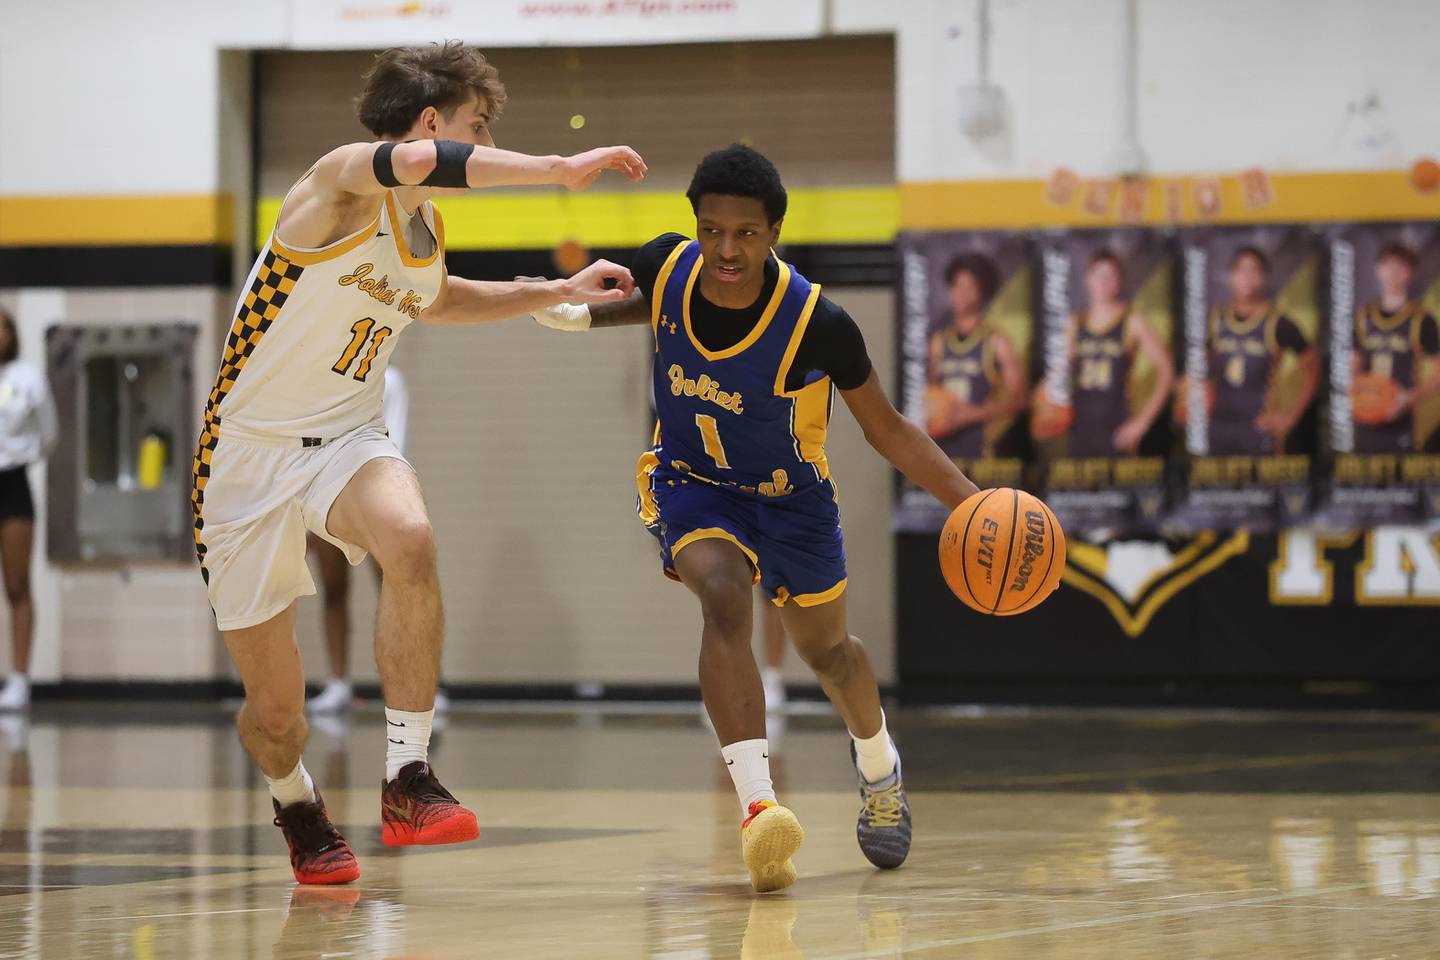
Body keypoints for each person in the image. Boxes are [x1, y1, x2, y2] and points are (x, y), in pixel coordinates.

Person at [190, 41, 644, 885]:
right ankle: (295, 800)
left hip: (347, 435)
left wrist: (552, 290)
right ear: (433, 122)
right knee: (276, 713)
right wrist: (556, 168)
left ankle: (407, 777)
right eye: (480, 125)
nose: (486, 141)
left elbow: (436, 299)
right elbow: (431, 161)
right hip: (246, 455)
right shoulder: (337, 180)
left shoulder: (423, 226)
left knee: (412, 538)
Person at [532, 145, 978, 892]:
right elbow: (647, 302)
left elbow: (888, 430)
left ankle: (880, 769)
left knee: (831, 656)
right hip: (694, 484)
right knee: (724, 597)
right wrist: (568, 313)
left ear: (773, 233)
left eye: (743, 234)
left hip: (792, 501)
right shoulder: (667, 265)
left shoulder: (819, 323)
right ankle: (759, 808)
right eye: (710, 230)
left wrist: (975, 503)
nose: (724, 249)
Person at [306, 367, 452, 714]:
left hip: (374, 497)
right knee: (334, 589)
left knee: (401, 590)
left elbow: (393, 441)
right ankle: (338, 682)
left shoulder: (391, 380)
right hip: (325, 496)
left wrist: (385, 501)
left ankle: (430, 684)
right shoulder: (318, 377)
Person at [1206, 246, 1318, 455]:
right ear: (1231, 277)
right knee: (1215, 488)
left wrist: (1291, 417)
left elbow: (1314, 369)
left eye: (1253, 271)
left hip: (1258, 429)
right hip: (1217, 427)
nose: (1247, 278)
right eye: (1241, 270)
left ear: (1264, 277)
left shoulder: (1278, 323)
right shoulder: (1214, 320)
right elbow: (1198, 370)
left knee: (1262, 487)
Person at [0, 307, 57, 713]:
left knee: (17, 584)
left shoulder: (27, 378)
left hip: (12, 483)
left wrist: (21, 456)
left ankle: (19, 680)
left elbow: (48, 434)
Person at [1064, 251, 1174, 457]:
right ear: (1087, 279)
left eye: (1110, 276)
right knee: (1076, 488)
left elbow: (1167, 370)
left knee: (1119, 488)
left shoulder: (1132, 321)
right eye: (1099, 275)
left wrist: (1142, 423)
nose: (1104, 282)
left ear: (1119, 281)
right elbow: (1058, 377)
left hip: (1117, 426)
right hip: (1080, 428)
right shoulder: (1074, 323)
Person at [925, 253, 1026, 459]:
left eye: (969, 287)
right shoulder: (938, 342)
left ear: (982, 292)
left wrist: (973, 414)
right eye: (957, 286)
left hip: (982, 452)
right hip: (943, 451)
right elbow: (928, 394)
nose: (961, 294)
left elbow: (1020, 399)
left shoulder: (996, 341)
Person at [1351, 242, 1440, 453]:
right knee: (1362, 481)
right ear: (1377, 270)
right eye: (1387, 266)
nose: (1393, 273)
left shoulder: (1422, 319)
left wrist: (1409, 398)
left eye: (1400, 267)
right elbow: (1352, 367)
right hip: (1366, 417)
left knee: (1403, 482)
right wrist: (1356, 391)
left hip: (1404, 420)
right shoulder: (1363, 317)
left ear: (1410, 273)